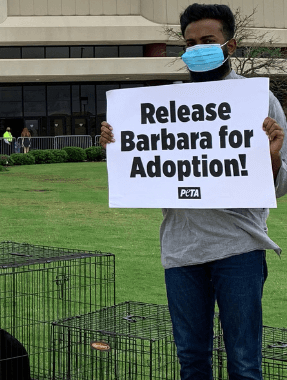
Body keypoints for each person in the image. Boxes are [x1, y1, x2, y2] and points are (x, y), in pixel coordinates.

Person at [100, 4, 287, 379]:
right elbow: (145, 173)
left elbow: (278, 188)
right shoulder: (163, 104)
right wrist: (116, 144)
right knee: (191, 358)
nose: (197, 48)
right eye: (189, 43)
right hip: (181, 251)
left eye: (207, 40)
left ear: (229, 46)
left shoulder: (260, 101)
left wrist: (272, 157)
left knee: (245, 362)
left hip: (240, 249)